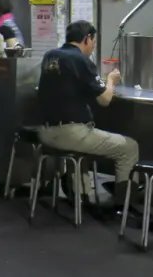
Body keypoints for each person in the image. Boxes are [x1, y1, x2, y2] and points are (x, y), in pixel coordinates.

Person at [36, 20, 139, 219]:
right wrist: (111, 80)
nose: (93, 46)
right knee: (129, 147)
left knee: (83, 149)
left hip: (46, 132)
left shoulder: (50, 56)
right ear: (87, 38)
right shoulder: (82, 60)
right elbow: (105, 100)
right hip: (70, 133)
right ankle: (122, 206)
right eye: (93, 41)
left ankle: (81, 194)